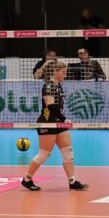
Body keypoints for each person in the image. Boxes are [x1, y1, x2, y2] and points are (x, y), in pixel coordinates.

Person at [20, 61, 89, 192]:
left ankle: (72, 181)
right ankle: (27, 179)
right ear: (56, 72)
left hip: (59, 123)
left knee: (68, 153)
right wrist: (65, 119)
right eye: (63, 72)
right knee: (44, 155)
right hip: (48, 123)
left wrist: (62, 120)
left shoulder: (59, 86)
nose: (65, 75)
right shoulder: (48, 86)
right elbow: (51, 107)